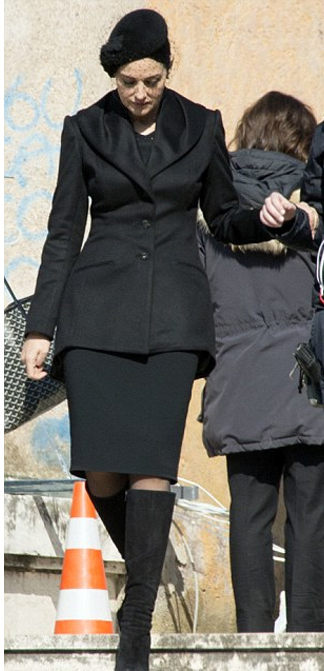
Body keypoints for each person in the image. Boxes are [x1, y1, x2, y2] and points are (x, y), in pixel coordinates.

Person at [19, 9, 289, 671]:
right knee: (101, 469)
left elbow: (222, 215)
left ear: (168, 70)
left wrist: (262, 218)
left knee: (151, 466)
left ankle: (136, 614)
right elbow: (62, 232)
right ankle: (145, 569)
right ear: (113, 76)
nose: (141, 92)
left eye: (152, 80)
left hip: (172, 318)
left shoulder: (202, 125)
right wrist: (40, 326)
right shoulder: (84, 128)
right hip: (95, 318)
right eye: (129, 82)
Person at [198, 92, 324, 633]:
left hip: (237, 380)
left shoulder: (214, 206)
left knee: (248, 515)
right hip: (308, 380)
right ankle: (308, 634)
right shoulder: (311, 203)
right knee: (310, 513)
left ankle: (250, 635)